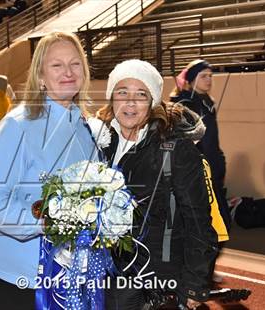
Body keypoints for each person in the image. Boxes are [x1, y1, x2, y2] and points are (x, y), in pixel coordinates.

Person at [0, 31, 98, 309]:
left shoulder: (84, 125)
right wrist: (47, 224)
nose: (68, 72)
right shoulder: (17, 125)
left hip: (68, 270)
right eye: (57, 65)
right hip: (19, 270)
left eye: (75, 63)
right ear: (40, 77)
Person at [97, 59, 227, 309]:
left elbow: (199, 220)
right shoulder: (99, 140)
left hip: (158, 280)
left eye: (141, 94)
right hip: (106, 276)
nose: (130, 102)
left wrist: (194, 284)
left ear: (153, 100)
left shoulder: (175, 148)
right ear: (112, 97)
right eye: (122, 92)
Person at [170, 59, 232, 230]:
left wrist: (220, 162)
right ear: (191, 79)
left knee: (219, 223)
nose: (209, 80)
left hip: (213, 165)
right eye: (203, 76)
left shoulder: (207, 102)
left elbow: (213, 138)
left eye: (210, 76)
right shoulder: (182, 104)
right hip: (195, 170)